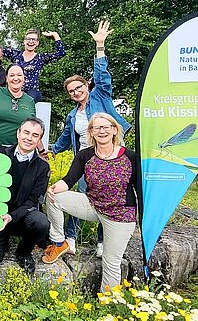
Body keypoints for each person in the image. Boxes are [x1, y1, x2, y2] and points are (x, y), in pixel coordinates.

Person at [51, 20, 132, 257]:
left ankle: (102, 242)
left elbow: (103, 77)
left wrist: (100, 47)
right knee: (84, 196)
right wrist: (52, 150)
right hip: (88, 161)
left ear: (87, 86)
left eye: (79, 87)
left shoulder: (101, 96)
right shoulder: (72, 115)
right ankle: (71, 238)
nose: (76, 92)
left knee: (111, 199)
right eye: (71, 91)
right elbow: (66, 138)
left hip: (113, 157)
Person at [42, 113, 141, 292]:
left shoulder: (130, 157)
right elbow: (69, 180)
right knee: (53, 198)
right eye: (97, 128)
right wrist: (54, 187)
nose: (101, 131)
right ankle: (59, 243)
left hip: (119, 216)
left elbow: (139, 188)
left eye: (106, 127)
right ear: (91, 132)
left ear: (114, 130)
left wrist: (144, 217)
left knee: (111, 262)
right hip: (92, 205)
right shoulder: (85, 155)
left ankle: (107, 304)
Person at [0, 117, 50, 274]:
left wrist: (11, 216)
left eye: (35, 135)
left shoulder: (42, 167)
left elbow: (33, 201)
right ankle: (2, 239)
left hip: (22, 217)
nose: (29, 138)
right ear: (18, 133)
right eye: (26, 132)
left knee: (41, 223)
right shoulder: (0, 152)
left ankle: (24, 251)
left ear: (39, 139)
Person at [0, 23, 65, 103]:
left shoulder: (41, 58)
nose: (31, 42)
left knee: (26, 100)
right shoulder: (16, 54)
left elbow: (61, 53)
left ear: (37, 43)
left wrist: (55, 35)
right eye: (28, 39)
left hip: (31, 92)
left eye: (34, 40)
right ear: (24, 41)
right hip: (14, 89)